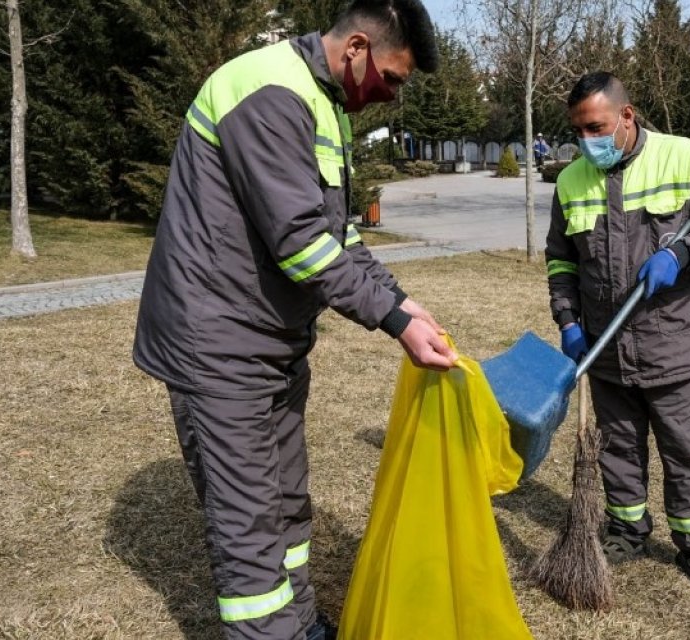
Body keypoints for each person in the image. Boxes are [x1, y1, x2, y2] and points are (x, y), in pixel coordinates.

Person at [131, 2, 456, 639]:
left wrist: (401, 298)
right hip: (218, 344)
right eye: (391, 78)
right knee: (250, 525)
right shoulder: (270, 92)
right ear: (358, 47)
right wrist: (392, 320)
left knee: (285, 501)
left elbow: (343, 235)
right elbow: (301, 243)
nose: (390, 97)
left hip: (270, 341)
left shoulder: (321, 100)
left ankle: (302, 626)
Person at [544, 71, 690, 604]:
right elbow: (561, 262)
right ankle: (627, 531)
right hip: (605, 349)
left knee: (686, 453)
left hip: (672, 348)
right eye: (579, 131)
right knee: (617, 452)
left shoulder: (685, 157)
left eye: (597, 127)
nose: (588, 140)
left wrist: (681, 254)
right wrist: (567, 321)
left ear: (627, 116)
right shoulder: (570, 182)